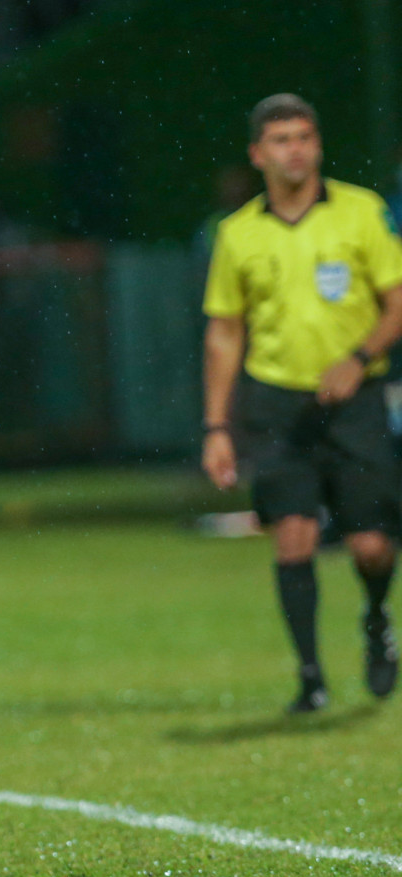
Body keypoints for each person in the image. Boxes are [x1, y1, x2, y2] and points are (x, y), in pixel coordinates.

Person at [202, 94, 402, 713]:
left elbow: (397, 303)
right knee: (293, 536)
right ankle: (311, 677)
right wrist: (216, 426)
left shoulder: (360, 213)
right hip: (276, 406)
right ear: (259, 154)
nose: (297, 149)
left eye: (306, 137)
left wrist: (357, 356)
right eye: (283, 139)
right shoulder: (237, 234)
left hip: (355, 402)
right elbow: (225, 331)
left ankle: (375, 618)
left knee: (372, 547)